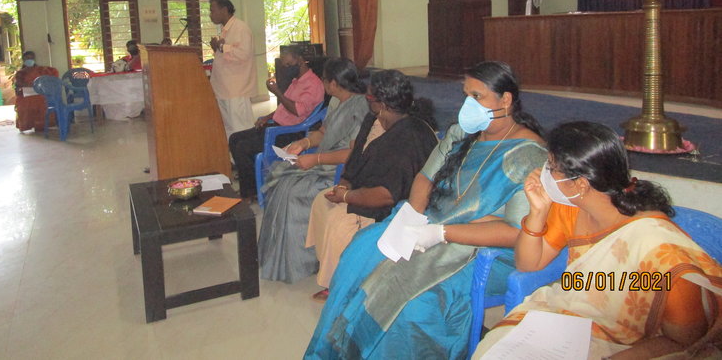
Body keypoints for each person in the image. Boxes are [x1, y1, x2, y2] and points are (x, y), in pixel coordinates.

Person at [305, 61, 546, 359]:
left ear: (505, 99)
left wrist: (440, 233)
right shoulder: (462, 133)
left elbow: (516, 231)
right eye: (466, 95)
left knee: (411, 301)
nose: (468, 104)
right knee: (362, 251)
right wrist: (413, 221)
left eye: (477, 96)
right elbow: (425, 177)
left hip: (482, 249)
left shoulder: (527, 156)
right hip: (430, 223)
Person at [472, 121, 722, 360]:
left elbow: (684, 339)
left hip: (635, 343)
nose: (542, 173)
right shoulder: (569, 207)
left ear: (580, 184)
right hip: (574, 321)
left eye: (551, 167)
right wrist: (538, 212)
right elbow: (528, 264)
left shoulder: (658, 246)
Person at [305, 69, 438, 301]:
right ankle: (330, 262)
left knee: (339, 220)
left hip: (392, 206)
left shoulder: (409, 137)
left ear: (383, 104)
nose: (366, 102)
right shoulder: (373, 120)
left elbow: (386, 195)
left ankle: (342, 283)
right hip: (363, 189)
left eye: (369, 99)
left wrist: (346, 197)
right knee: (321, 201)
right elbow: (355, 157)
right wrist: (344, 185)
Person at [258, 58, 369, 283]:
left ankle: (301, 262)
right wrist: (304, 144)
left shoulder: (360, 107)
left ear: (334, 83)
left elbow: (354, 153)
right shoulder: (336, 101)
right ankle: (277, 257)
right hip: (324, 161)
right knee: (280, 179)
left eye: (325, 80)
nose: (323, 83)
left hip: (341, 170)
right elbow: (323, 133)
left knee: (293, 193)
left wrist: (316, 159)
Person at [228, 45, 325, 199]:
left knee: (243, 147)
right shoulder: (296, 81)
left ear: (300, 60)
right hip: (276, 125)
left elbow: (297, 110)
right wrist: (267, 117)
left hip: (290, 132)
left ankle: (251, 192)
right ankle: (251, 180)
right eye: (284, 65)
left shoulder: (313, 84)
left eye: (288, 64)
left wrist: (277, 92)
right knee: (234, 138)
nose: (286, 69)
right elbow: (284, 107)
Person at [208, 0, 257, 139]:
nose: (210, 15)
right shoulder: (226, 29)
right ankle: (233, 152)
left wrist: (222, 47)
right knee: (229, 130)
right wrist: (217, 47)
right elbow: (227, 56)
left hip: (236, 90)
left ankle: (245, 153)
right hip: (224, 89)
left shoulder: (240, 28)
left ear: (224, 10)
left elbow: (244, 53)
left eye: (212, 10)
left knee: (241, 130)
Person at [14, 51, 59, 132]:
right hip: (26, 94)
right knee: (24, 104)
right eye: (27, 58)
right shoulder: (21, 73)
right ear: (23, 60)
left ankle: (41, 125)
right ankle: (27, 125)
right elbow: (18, 85)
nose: (29, 60)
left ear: (34, 59)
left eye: (31, 58)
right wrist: (28, 85)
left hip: (40, 92)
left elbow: (53, 75)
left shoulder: (42, 70)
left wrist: (42, 85)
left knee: (42, 102)